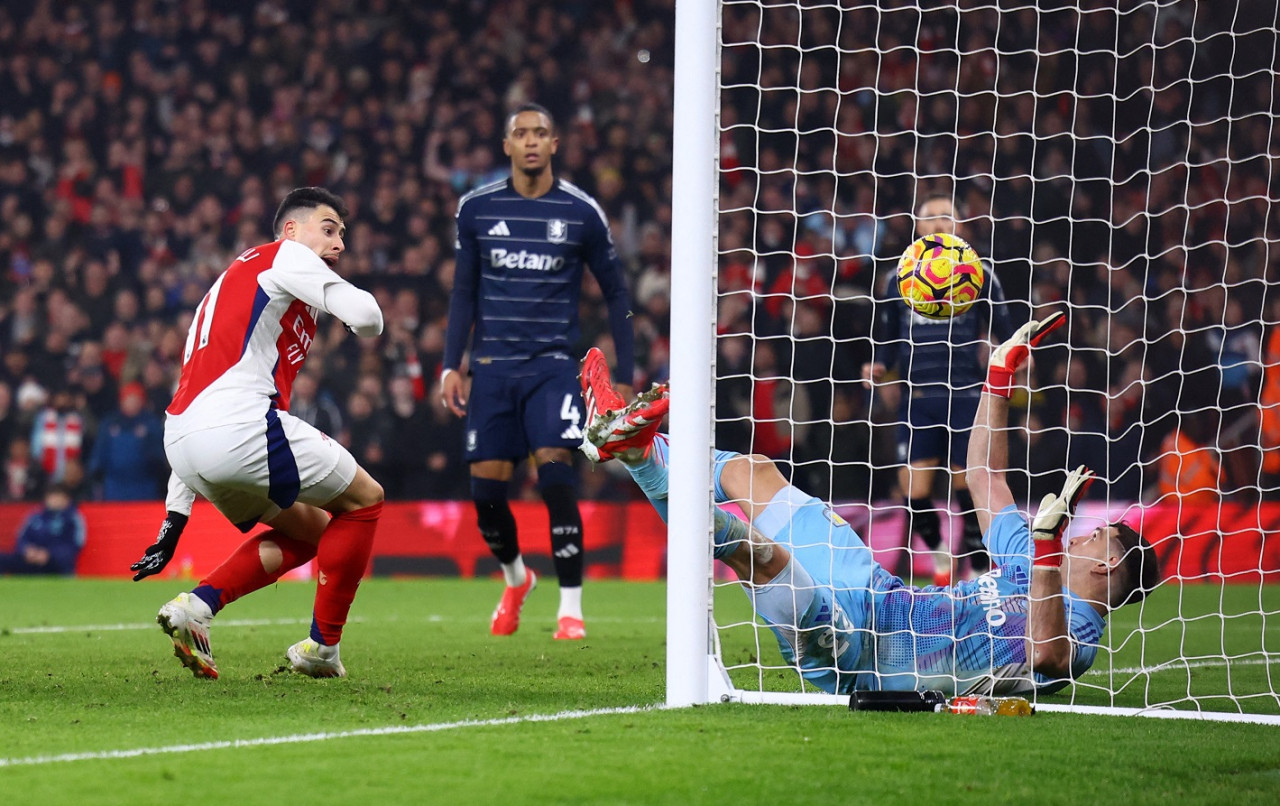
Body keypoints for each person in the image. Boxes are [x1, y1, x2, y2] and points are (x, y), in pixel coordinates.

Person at [578, 312, 1159, 696]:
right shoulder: (1025, 566)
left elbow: (1049, 659)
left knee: (751, 549)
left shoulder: (1079, 628)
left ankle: (635, 453)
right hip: (876, 590)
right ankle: (633, 439)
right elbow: (984, 476)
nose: (1081, 534)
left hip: (860, 652)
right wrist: (997, 380)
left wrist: (1052, 549)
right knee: (750, 473)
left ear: (1108, 564)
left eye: (1093, 538)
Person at [128, 187, 385, 680]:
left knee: (310, 530)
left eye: (342, 236)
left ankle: (196, 607)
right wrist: (359, 316)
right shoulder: (286, 257)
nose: (339, 246)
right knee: (365, 500)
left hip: (184, 442)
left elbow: (195, 404)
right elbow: (369, 319)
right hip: (237, 428)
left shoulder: (231, 287)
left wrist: (173, 521)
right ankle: (322, 648)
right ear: (291, 231)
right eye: (328, 230)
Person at [440, 102, 635, 640]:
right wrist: (449, 365)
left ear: (555, 144)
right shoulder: (476, 209)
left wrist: (626, 369)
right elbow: (462, 292)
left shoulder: (581, 212)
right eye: (520, 133)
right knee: (486, 497)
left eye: (540, 133)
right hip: (492, 369)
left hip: (552, 366)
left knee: (555, 473)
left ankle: (570, 608)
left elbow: (617, 292)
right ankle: (516, 577)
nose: (530, 141)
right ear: (506, 145)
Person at [862, 193, 1016, 584]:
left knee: (971, 485)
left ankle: (980, 563)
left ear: (959, 225)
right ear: (917, 227)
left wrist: (1013, 352)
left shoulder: (980, 272)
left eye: (947, 216)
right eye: (929, 218)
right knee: (912, 490)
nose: (938, 224)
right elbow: (887, 339)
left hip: (965, 396)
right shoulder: (898, 277)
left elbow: (1004, 331)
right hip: (918, 399)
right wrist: (878, 366)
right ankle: (938, 550)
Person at [86, 381, 166, 500]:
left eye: (136, 399)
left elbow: (159, 456)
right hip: (114, 485)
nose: (132, 403)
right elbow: (99, 453)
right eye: (129, 399)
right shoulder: (109, 423)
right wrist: (95, 473)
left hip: (144, 485)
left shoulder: (151, 423)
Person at [0, 482, 85, 576]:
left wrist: (49, 554)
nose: (54, 501)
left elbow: (76, 544)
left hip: (55, 561)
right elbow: (21, 538)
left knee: (62, 562)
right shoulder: (35, 515)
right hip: (32, 557)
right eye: (52, 497)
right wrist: (27, 550)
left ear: (66, 500)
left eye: (58, 497)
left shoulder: (72, 517)